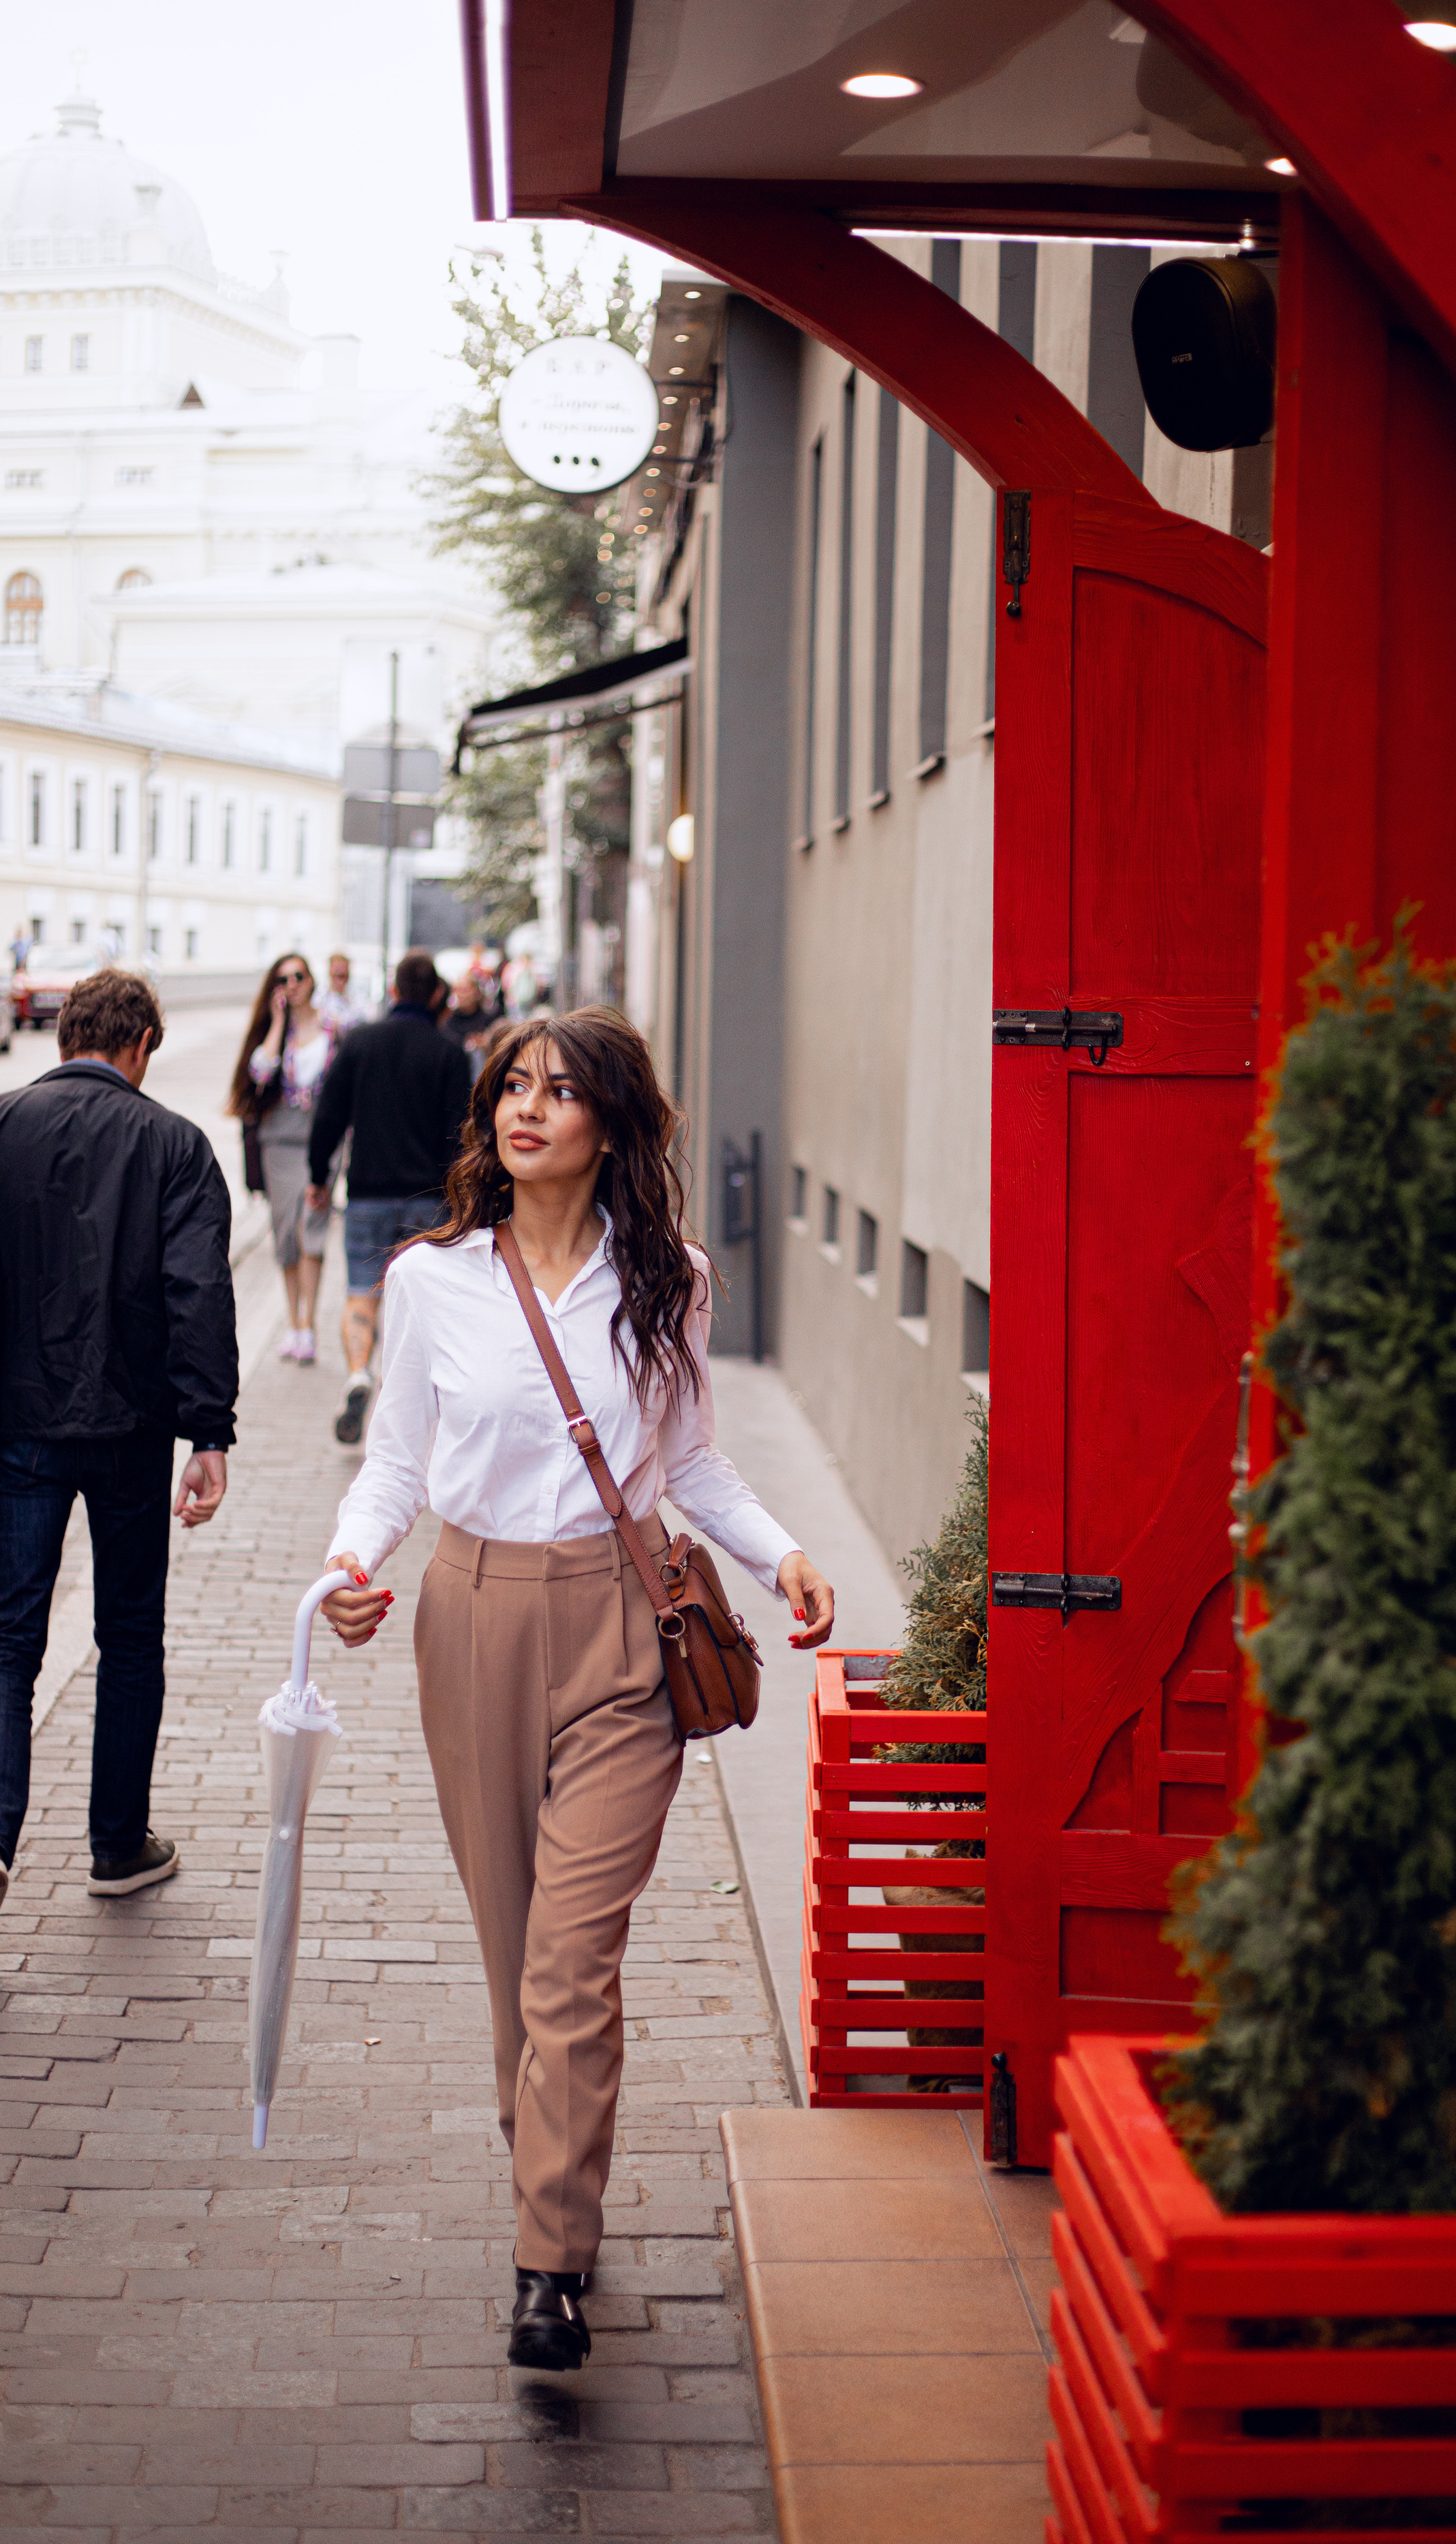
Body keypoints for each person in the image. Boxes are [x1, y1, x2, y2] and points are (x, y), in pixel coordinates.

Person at [317, 1008, 835, 2372]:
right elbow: (396, 1463)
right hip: (470, 1618)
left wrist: (779, 1553)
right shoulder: (433, 1281)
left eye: (557, 1091)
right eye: (511, 1087)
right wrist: (350, 1567)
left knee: (571, 1961)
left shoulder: (669, 1280)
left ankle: (548, 2258)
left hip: (623, 1623)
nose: (525, 1109)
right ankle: (545, 2172)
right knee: (514, 1963)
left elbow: (691, 1459)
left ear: (610, 1124)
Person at [0, 967, 234, 1963]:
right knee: (129, 1636)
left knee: (6, 1636)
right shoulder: (175, 1144)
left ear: (63, 1037)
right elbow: (197, 1292)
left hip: (16, 1421)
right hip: (130, 1428)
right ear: (142, 1046)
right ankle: (118, 1846)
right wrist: (208, 1432)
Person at [306, 948, 471, 1445]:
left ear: (394, 990)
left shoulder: (360, 1042)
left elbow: (328, 1116)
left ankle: (360, 1372)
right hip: (430, 1200)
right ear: (437, 995)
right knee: (427, 1304)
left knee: (362, 1291)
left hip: (368, 1196)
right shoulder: (449, 1053)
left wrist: (318, 1176)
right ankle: (424, 1406)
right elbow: (460, 1134)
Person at [226, 954, 338, 1365]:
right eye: (283, 979)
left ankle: (309, 1325)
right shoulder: (276, 1032)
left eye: (298, 976)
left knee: (313, 1227)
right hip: (280, 1142)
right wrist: (276, 1022)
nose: (292, 984)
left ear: (312, 981)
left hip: (323, 1142)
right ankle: (293, 1323)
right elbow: (260, 1073)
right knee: (287, 1232)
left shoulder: (334, 1030)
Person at [317, 952, 367, 1034]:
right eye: (337, 974)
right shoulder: (319, 998)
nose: (340, 979)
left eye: (343, 975)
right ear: (330, 973)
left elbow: (363, 1019)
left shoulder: (358, 999)